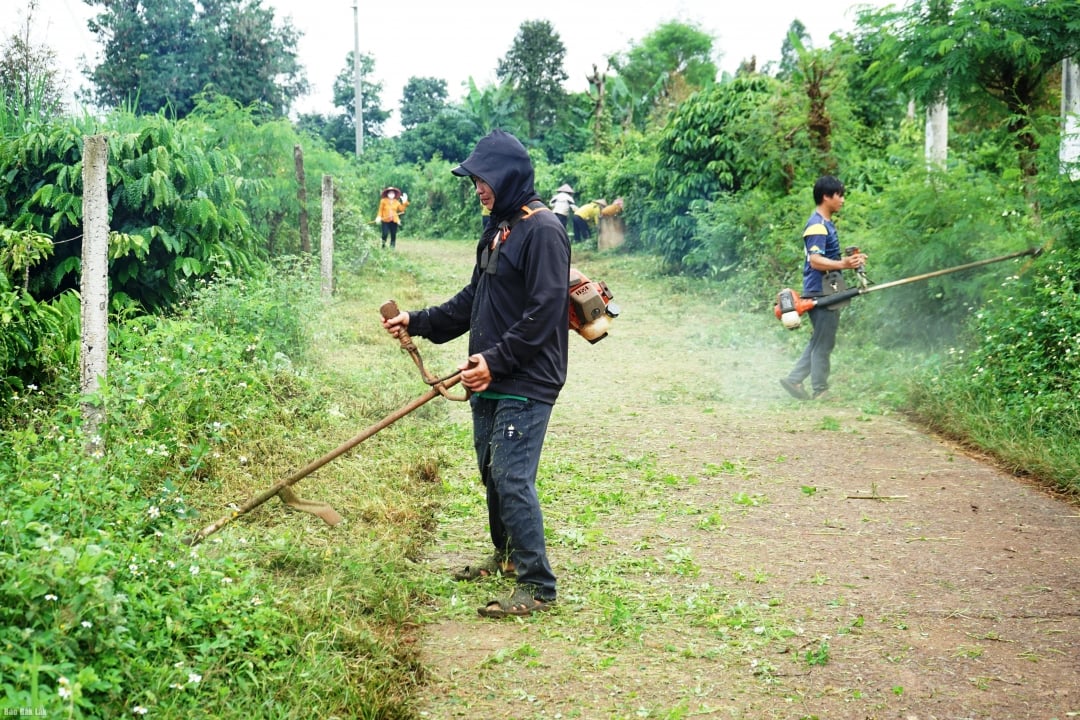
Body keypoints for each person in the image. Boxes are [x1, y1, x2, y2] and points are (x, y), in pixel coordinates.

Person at [381, 129, 570, 619]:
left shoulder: (544, 231)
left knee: (511, 475)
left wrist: (497, 360)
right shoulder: (497, 228)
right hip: (487, 373)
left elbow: (545, 311)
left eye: (483, 180)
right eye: (475, 181)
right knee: (491, 470)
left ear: (508, 177)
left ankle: (537, 585)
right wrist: (418, 322)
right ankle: (506, 556)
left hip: (526, 378)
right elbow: (474, 300)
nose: (478, 189)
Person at [780, 176, 867, 401]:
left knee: (821, 339)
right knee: (824, 341)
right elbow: (816, 261)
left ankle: (795, 380)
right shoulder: (817, 225)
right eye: (840, 195)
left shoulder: (825, 223)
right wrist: (844, 263)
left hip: (827, 288)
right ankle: (820, 390)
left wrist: (850, 262)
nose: (843, 200)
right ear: (826, 196)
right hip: (820, 290)